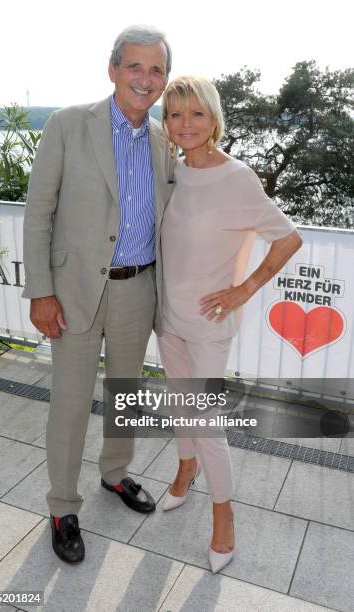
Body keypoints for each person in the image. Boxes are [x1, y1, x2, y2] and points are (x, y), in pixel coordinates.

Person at [22, 25, 174, 563]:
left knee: (126, 394)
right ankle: (63, 505)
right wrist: (41, 291)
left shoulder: (164, 139)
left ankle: (116, 474)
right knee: (68, 403)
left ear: (164, 81)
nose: (145, 78)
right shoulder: (68, 124)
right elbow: (39, 212)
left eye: (156, 69)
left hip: (139, 288)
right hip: (76, 290)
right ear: (112, 69)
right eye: (134, 66)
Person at [158, 76, 302, 573]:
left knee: (206, 422)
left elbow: (288, 239)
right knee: (178, 405)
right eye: (175, 114)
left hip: (208, 321)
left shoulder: (237, 177)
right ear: (167, 123)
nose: (186, 124)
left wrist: (243, 290)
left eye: (196, 113)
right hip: (166, 315)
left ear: (214, 118)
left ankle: (224, 518)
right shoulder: (172, 171)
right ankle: (183, 472)